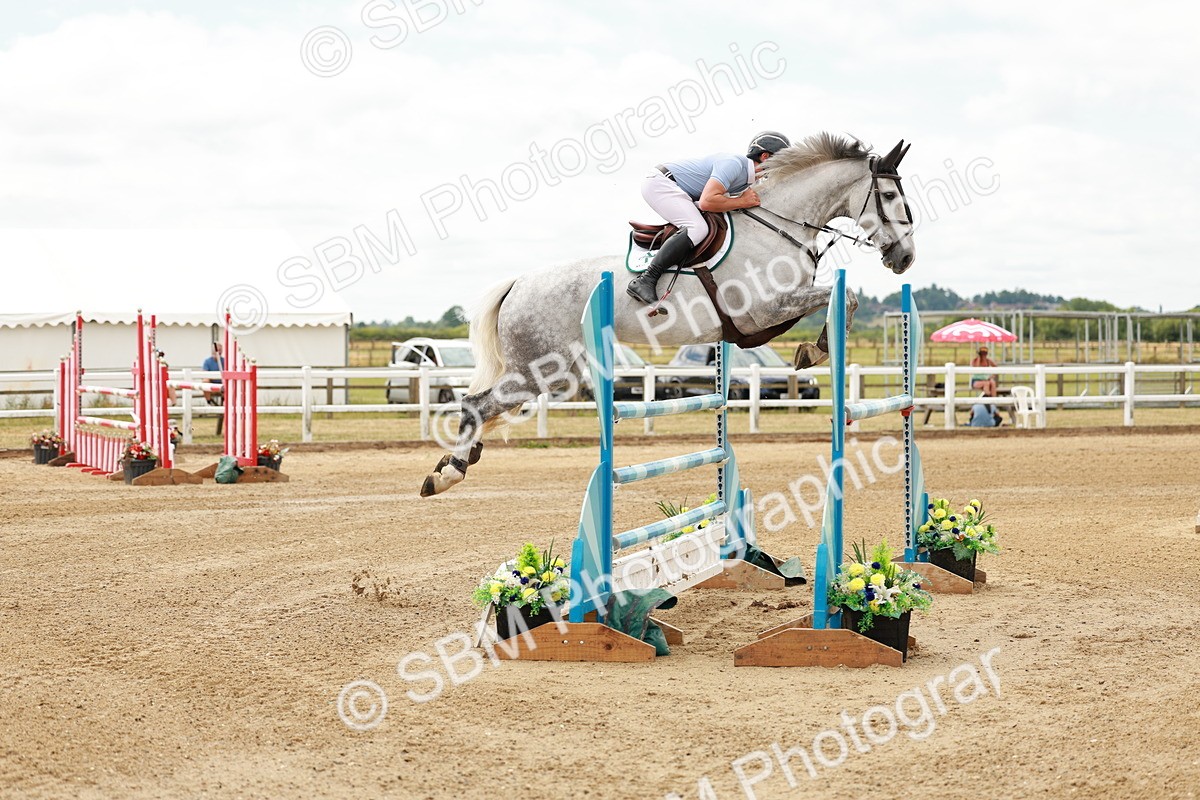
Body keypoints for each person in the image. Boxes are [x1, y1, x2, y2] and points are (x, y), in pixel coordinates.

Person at [626, 131, 792, 306]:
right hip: (661, 183)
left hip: (682, 190)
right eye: (781, 162)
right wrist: (742, 201)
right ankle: (646, 280)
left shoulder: (748, 179)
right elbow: (707, 202)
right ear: (765, 156)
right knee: (697, 228)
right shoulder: (734, 164)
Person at [202, 342, 225, 435]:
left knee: (226, 384)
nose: (218, 353)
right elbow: (205, 374)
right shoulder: (207, 361)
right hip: (211, 383)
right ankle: (209, 401)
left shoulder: (225, 361)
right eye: (217, 350)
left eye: (220, 350)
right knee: (205, 382)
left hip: (222, 384)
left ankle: (224, 401)